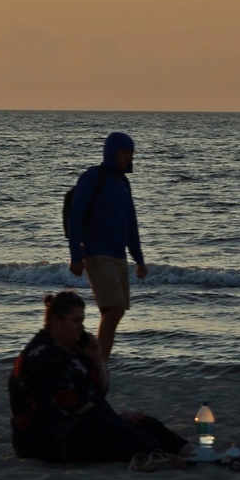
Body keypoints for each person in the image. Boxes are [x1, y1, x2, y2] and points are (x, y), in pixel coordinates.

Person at [9, 291, 191, 466]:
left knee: (143, 422)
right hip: (49, 438)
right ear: (57, 320)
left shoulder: (69, 348)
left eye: (82, 321)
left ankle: (190, 451)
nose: (81, 328)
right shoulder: (42, 357)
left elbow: (98, 392)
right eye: (76, 321)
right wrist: (116, 420)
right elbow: (80, 405)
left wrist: (96, 359)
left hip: (75, 425)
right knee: (127, 436)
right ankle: (158, 453)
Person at [66, 131, 148, 361]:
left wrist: (139, 259)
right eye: (123, 152)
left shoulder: (123, 183)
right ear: (112, 153)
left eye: (130, 152)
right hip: (96, 252)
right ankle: (96, 363)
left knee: (116, 312)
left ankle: (97, 362)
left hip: (118, 255)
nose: (127, 157)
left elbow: (131, 223)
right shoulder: (93, 177)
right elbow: (75, 216)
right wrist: (76, 256)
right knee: (113, 309)